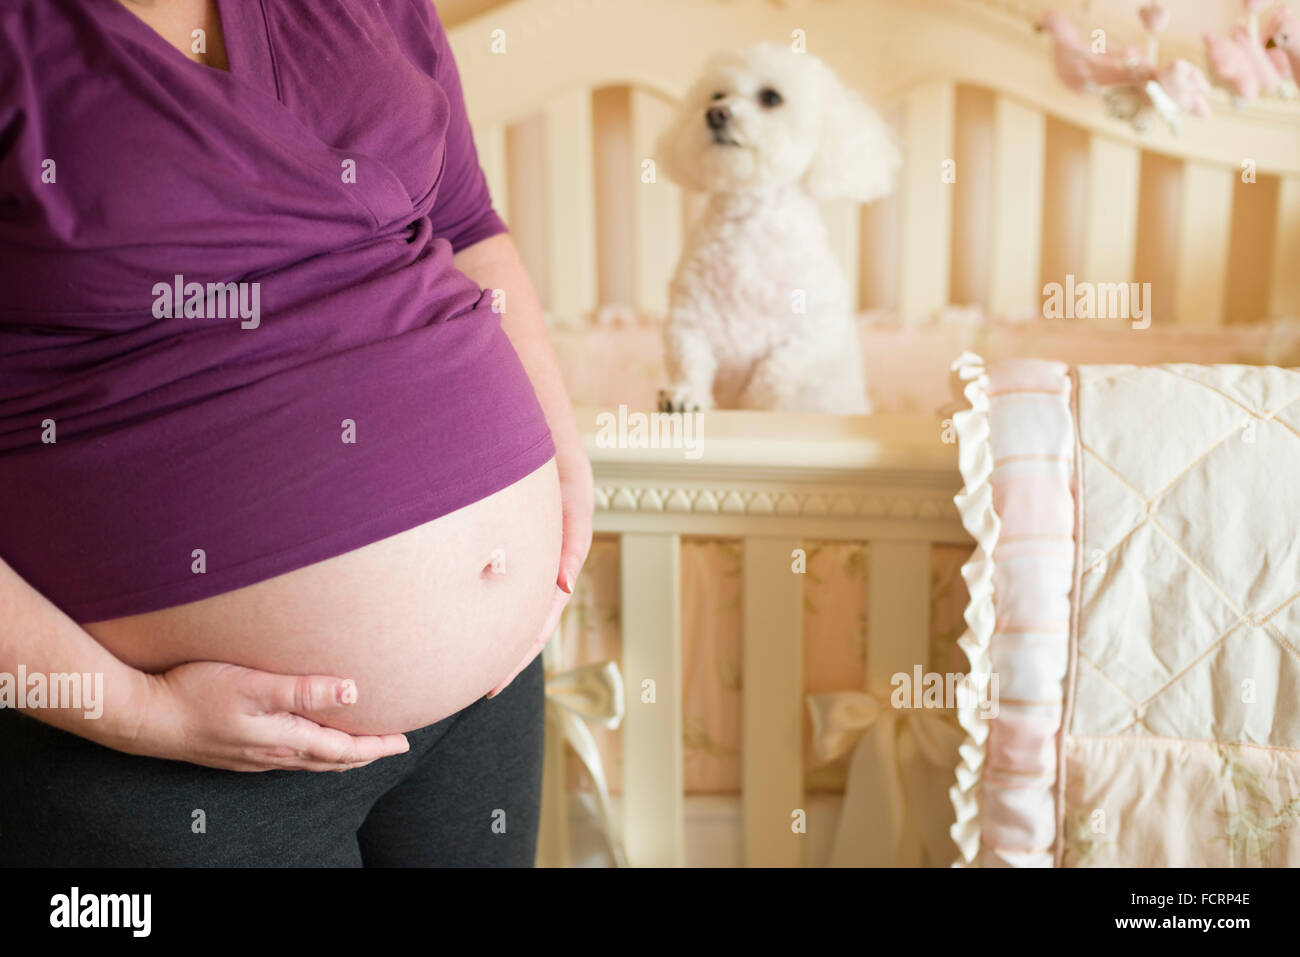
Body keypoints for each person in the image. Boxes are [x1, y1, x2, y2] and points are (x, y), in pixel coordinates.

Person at [0, 0, 593, 866]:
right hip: (170, 764)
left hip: (483, 702)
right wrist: (136, 712)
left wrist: (564, 460)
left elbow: (467, 227)